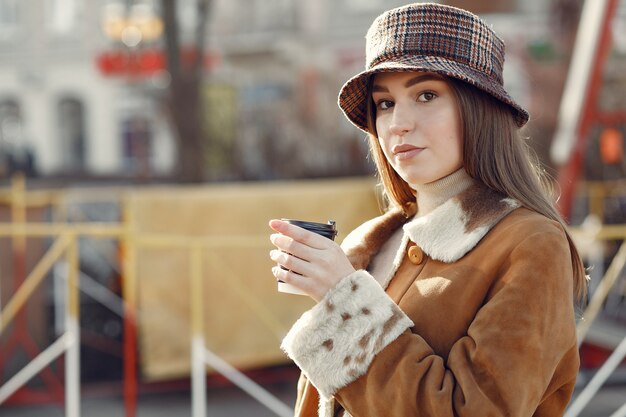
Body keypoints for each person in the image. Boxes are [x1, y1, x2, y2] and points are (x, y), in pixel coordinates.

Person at [268, 3, 587, 417]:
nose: (399, 123)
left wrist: (344, 301)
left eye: (426, 95)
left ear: (480, 108)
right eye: (384, 103)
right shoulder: (368, 243)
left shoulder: (530, 243)